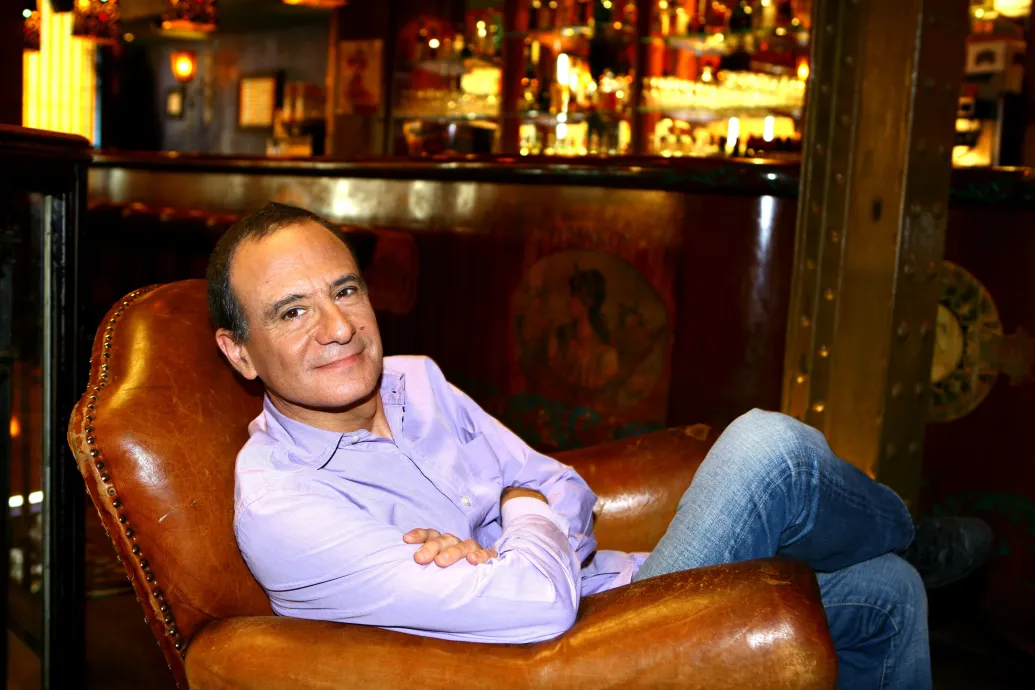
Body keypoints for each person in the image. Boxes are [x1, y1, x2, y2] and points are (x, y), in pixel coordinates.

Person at [208, 203, 992, 690]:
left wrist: (517, 535)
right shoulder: (284, 505)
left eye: (345, 290)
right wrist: (520, 514)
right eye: (291, 312)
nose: (337, 328)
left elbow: (562, 485)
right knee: (766, 447)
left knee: (886, 592)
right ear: (239, 353)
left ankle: (900, 550)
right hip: (563, 664)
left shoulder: (415, 381)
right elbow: (536, 594)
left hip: (610, 592)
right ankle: (906, 531)